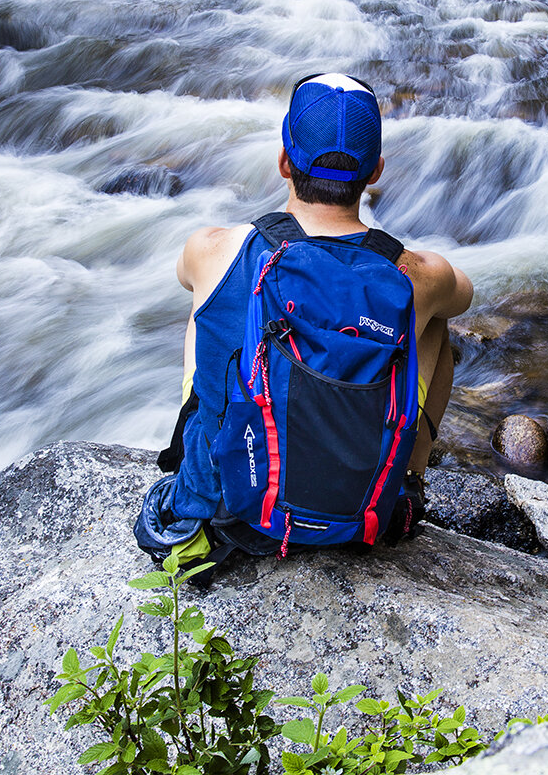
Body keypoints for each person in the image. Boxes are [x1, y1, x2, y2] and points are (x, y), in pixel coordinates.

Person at [160, 72, 473, 545]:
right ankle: (406, 481)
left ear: (285, 162)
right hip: (358, 523)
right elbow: (465, 295)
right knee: (432, 324)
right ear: (375, 172)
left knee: (210, 302)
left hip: (231, 509)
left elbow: (184, 276)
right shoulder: (413, 276)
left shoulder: (213, 247)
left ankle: (201, 442)